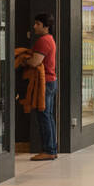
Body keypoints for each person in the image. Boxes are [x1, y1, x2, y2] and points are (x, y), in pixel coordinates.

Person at [27, 12, 58, 160]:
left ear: (46, 26)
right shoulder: (50, 39)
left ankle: (49, 150)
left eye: (38, 24)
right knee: (48, 116)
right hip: (51, 81)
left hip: (44, 82)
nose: (34, 26)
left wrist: (24, 60)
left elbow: (35, 62)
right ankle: (51, 148)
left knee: (44, 116)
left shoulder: (43, 41)